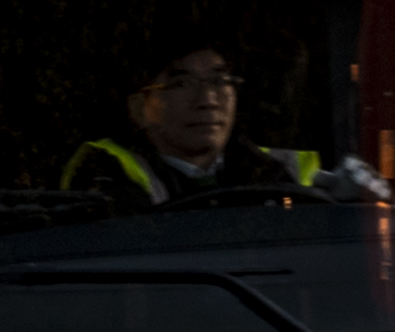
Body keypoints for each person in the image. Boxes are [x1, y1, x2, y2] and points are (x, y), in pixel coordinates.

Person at [61, 33, 333, 206]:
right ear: (139, 107)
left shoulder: (276, 168)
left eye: (219, 81)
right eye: (181, 84)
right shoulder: (106, 170)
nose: (208, 99)